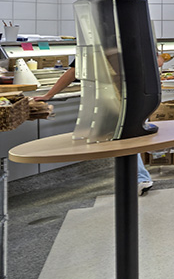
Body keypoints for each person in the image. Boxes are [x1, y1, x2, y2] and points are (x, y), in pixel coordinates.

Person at [36, 61, 155, 196]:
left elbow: (73, 72)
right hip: (139, 96)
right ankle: (138, 178)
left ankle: (139, 179)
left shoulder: (97, 48)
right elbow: (157, 61)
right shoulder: (135, 47)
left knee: (123, 140)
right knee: (126, 139)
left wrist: (49, 95)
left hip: (116, 99)